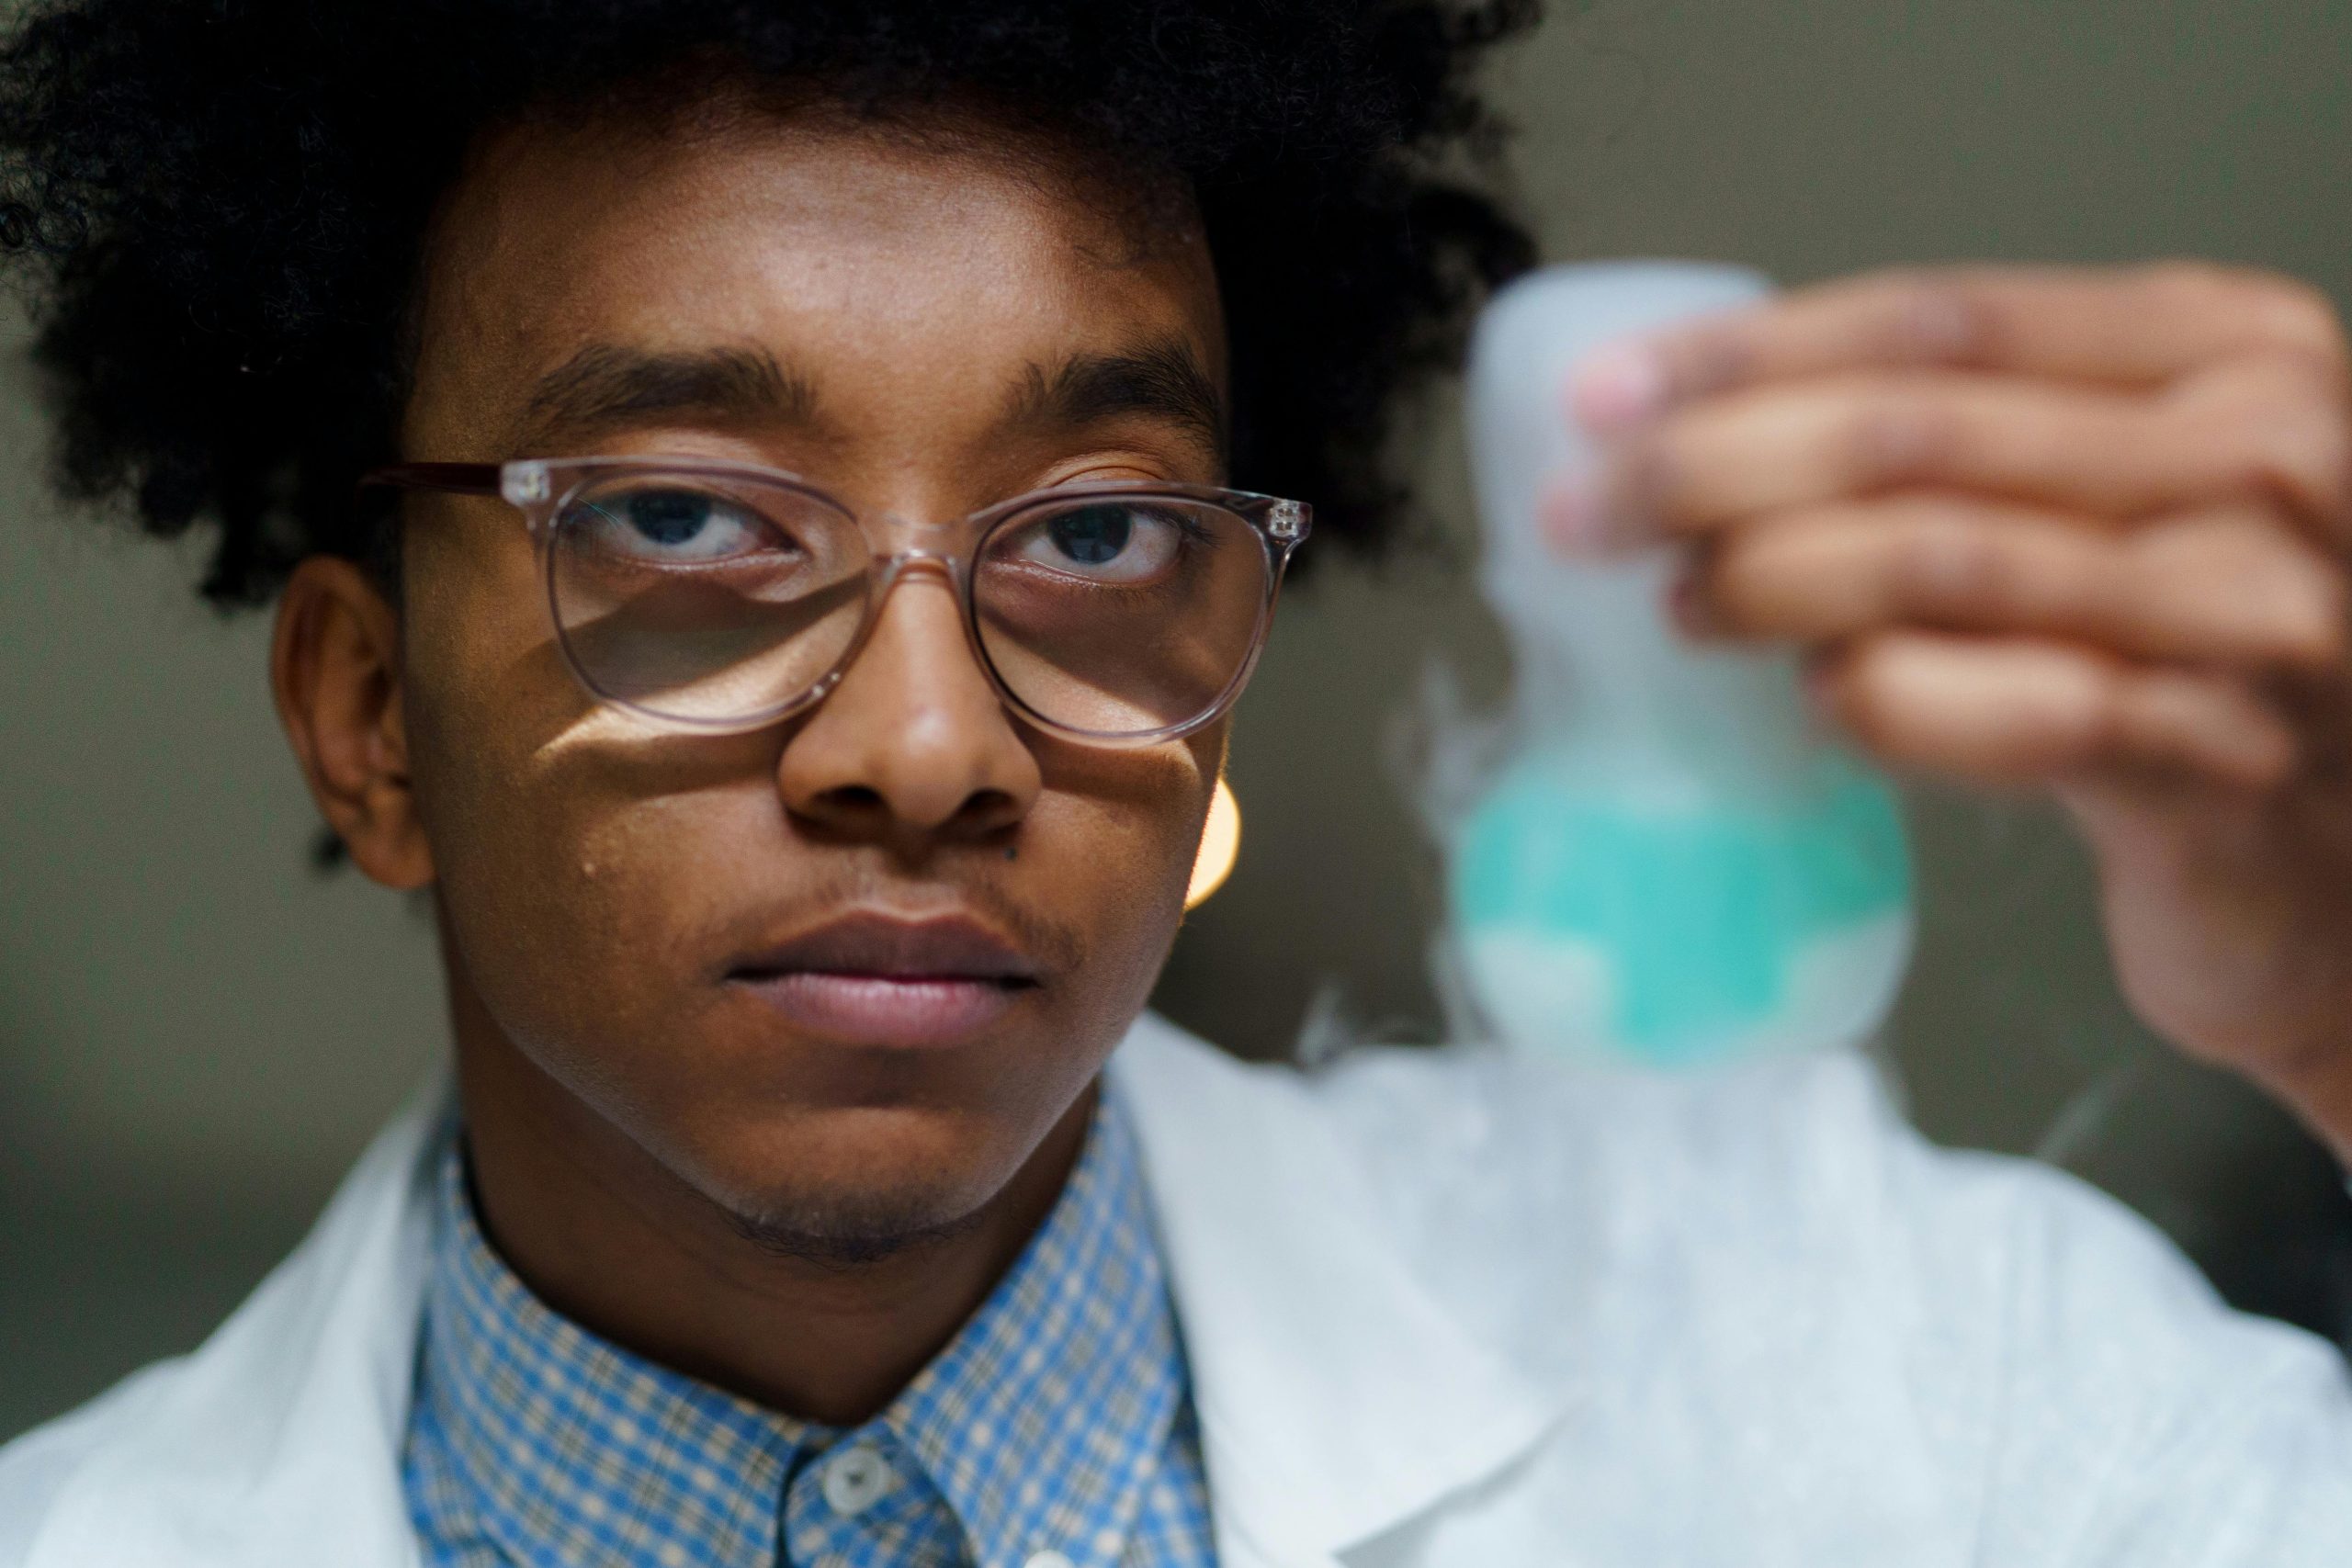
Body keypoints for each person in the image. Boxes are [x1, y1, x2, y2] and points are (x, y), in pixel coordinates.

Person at [5, 1, 2352, 1562]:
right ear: (369, 718)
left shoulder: (1912, 1379)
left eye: (1096, 534)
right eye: (690, 516)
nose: (927, 746)